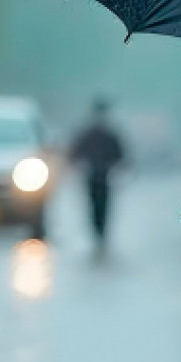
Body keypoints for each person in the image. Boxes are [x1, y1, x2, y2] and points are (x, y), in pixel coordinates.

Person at [69, 98, 127, 249]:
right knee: (94, 207)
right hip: (92, 177)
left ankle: (100, 235)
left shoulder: (109, 136)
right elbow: (74, 154)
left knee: (102, 207)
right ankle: (98, 234)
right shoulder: (90, 135)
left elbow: (121, 156)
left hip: (104, 177)